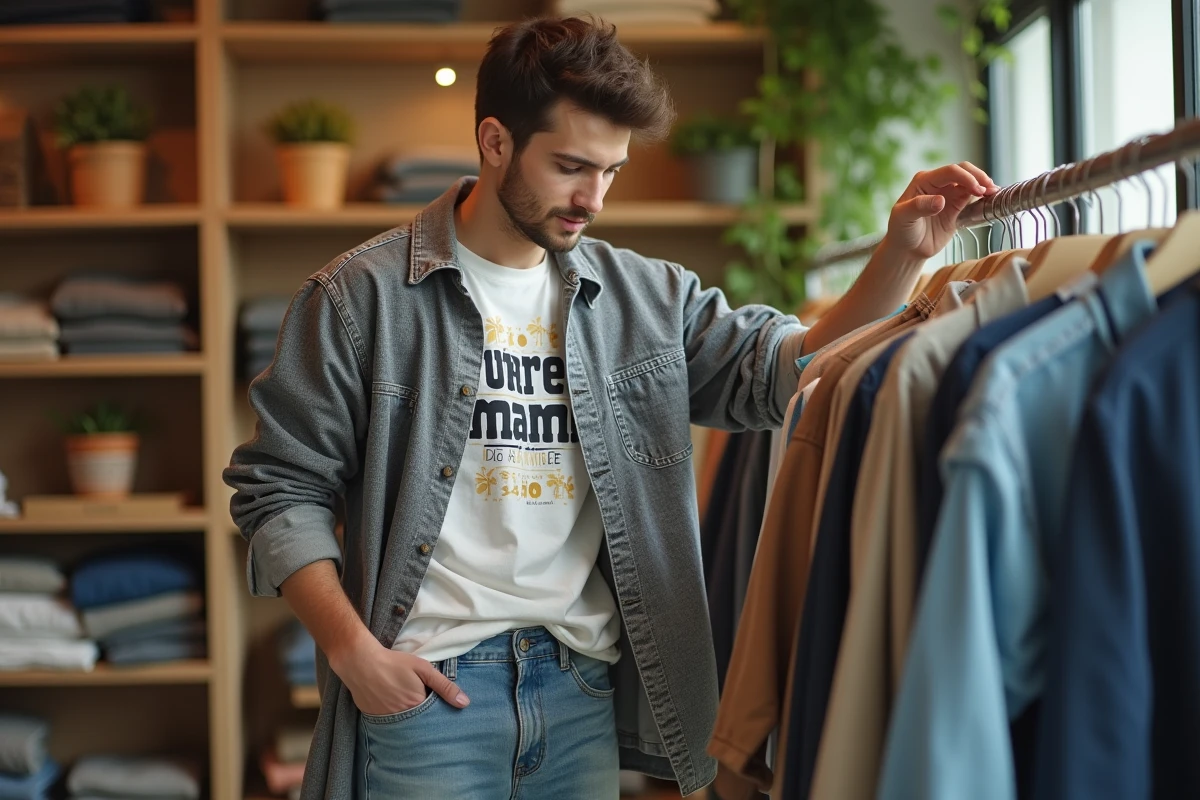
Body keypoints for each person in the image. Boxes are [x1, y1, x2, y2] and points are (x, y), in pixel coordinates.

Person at [224, 15, 998, 800]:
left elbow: (781, 371)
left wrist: (903, 253)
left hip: (577, 693)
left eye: (612, 171)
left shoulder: (643, 297)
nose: (592, 198)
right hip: (429, 700)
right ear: (495, 142)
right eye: (570, 166)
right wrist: (357, 656)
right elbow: (281, 491)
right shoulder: (361, 299)